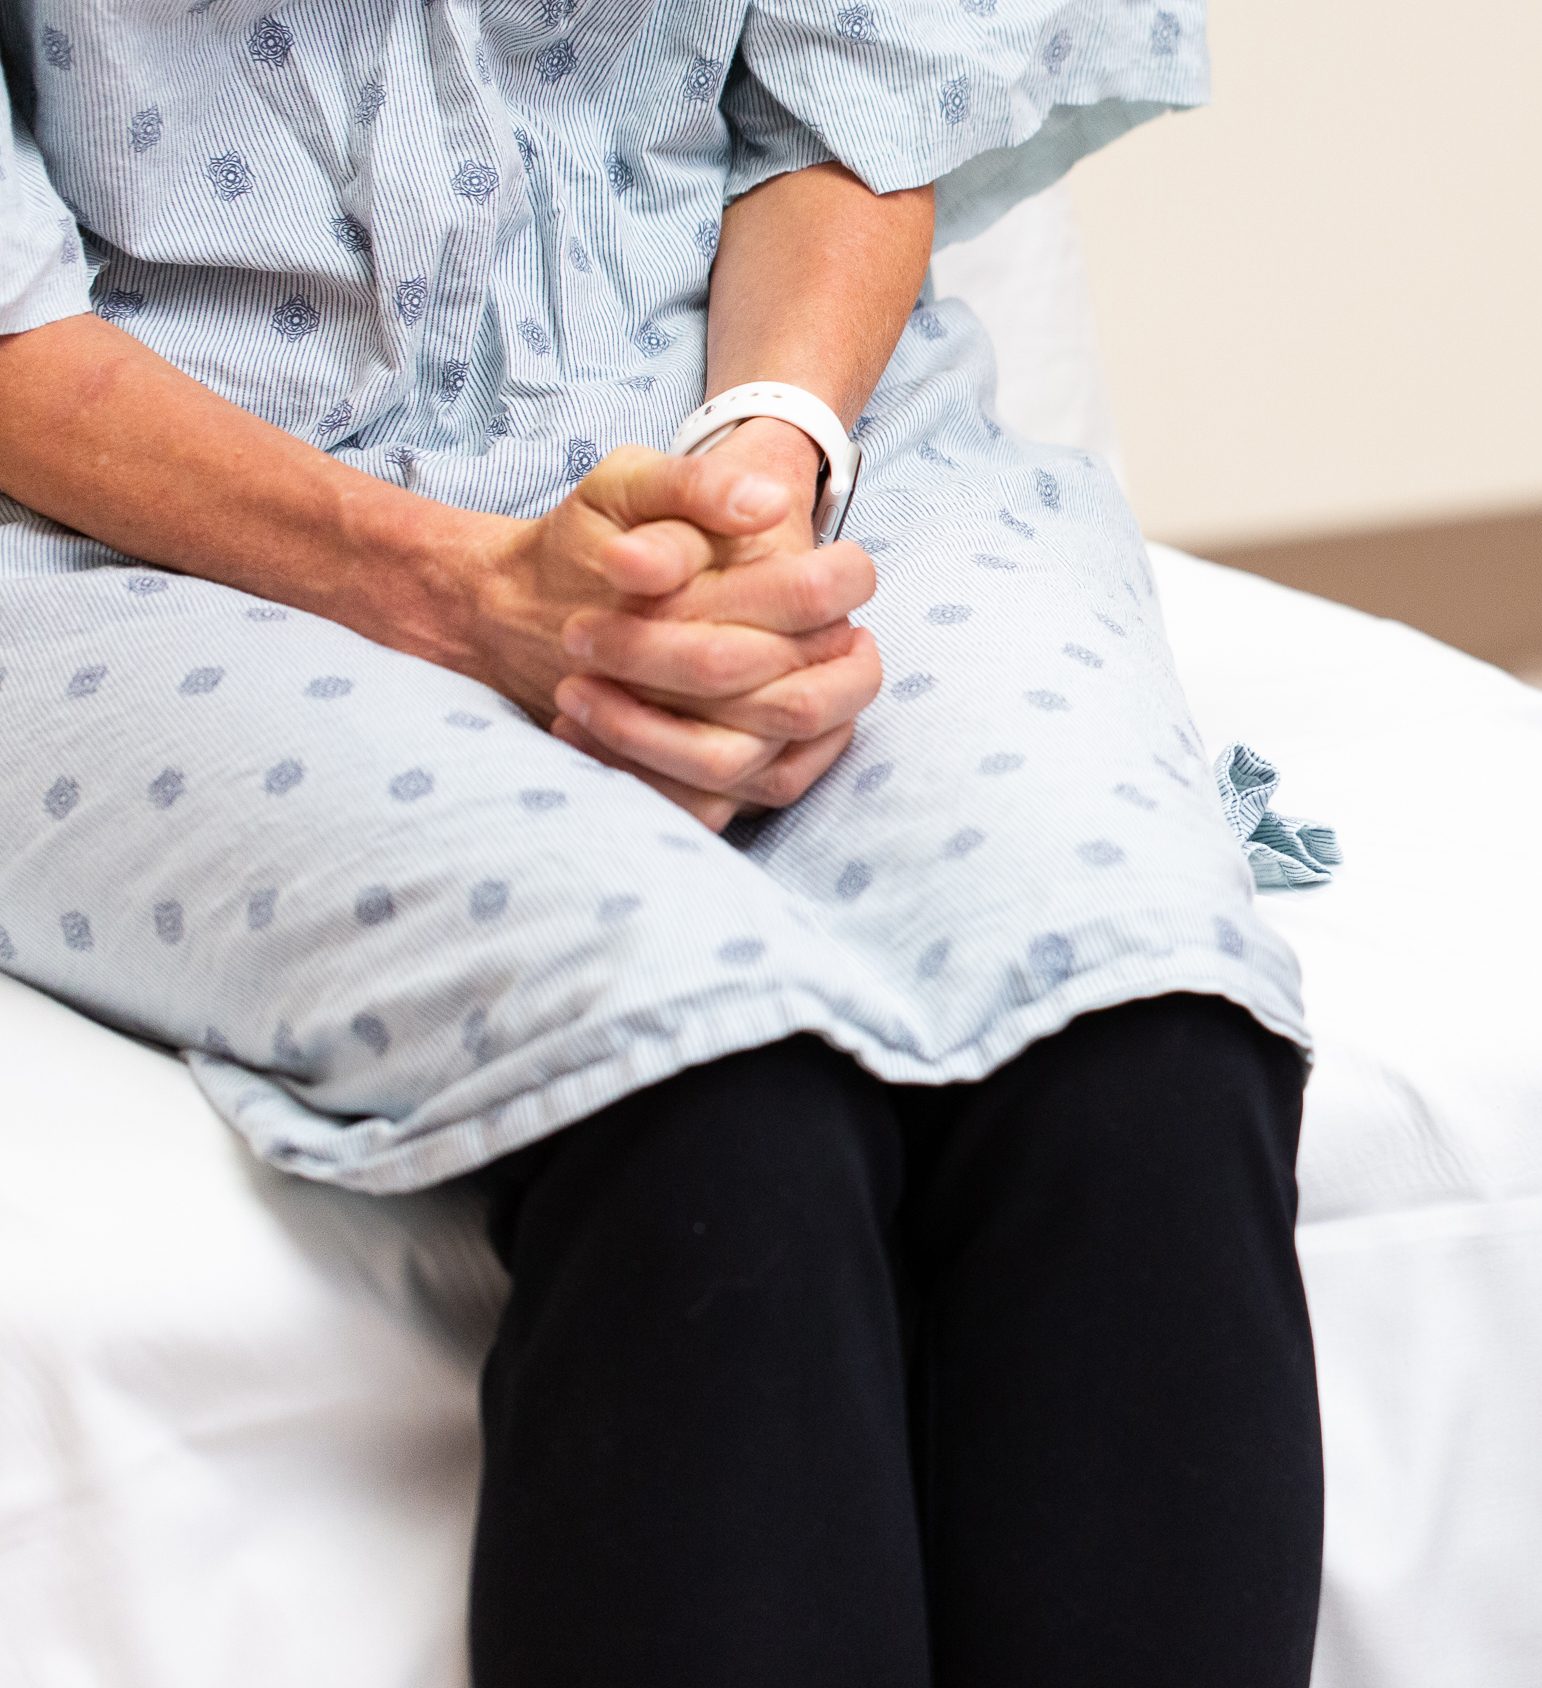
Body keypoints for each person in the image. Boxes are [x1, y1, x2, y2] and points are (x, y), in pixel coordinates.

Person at [0, 3, 1324, 1684]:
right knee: (714, 1096)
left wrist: (760, 476)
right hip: (145, 537)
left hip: (794, 440)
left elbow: (863, 93)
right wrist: (459, 592)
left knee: (1132, 1045)